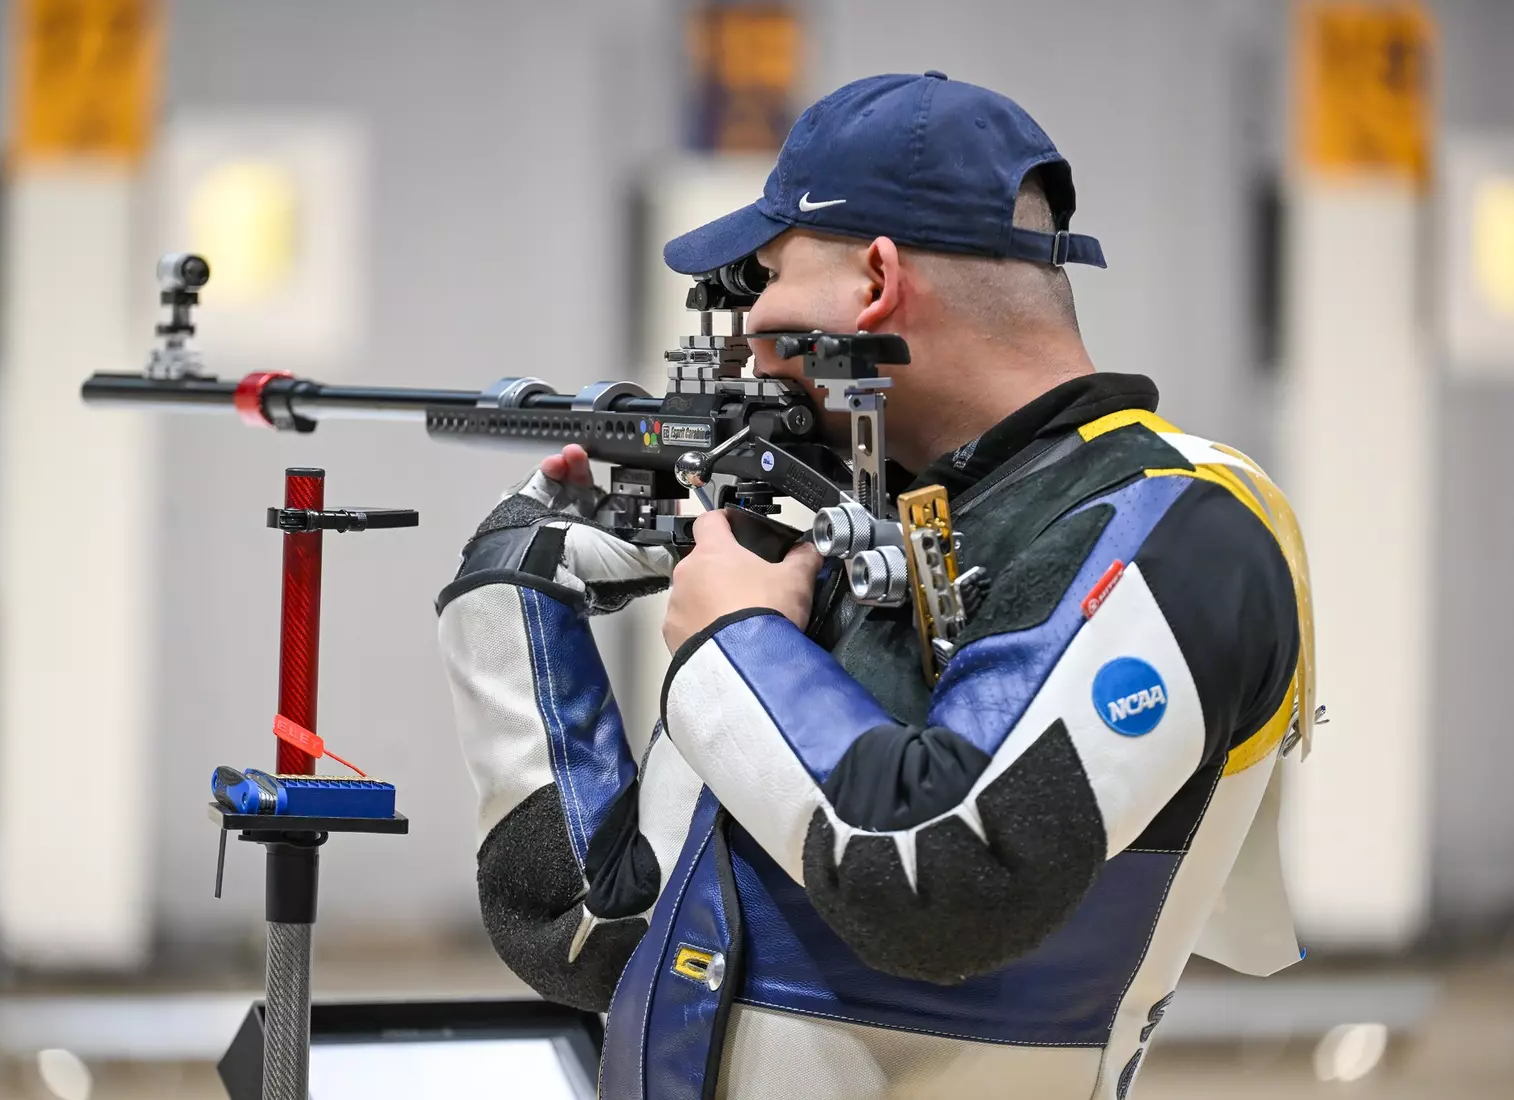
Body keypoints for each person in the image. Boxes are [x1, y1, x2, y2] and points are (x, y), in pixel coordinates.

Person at [436, 71, 1316, 1100]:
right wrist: (513, 591)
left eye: (765, 277)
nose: (751, 325)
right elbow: (593, 933)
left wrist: (733, 643)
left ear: (874, 283)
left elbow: (946, 877)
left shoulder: (1183, 527)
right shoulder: (868, 538)